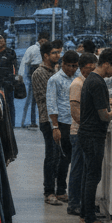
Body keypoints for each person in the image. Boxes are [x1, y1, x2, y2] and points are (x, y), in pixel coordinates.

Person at [79, 48, 112, 223]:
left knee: (88, 175)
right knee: (93, 177)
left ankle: (85, 214)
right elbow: (104, 115)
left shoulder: (91, 79)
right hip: (93, 135)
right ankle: (91, 220)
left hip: (87, 133)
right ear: (106, 64)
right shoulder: (97, 82)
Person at [45, 49, 77, 205]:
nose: (72, 69)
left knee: (67, 158)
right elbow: (51, 103)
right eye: (69, 65)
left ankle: (61, 191)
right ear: (63, 64)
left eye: (75, 66)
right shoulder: (55, 80)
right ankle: (49, 192)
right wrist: (55, 126)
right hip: (60, 123)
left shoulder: (78, 78)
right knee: (54, 158)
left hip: (73, 123)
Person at [66, 52, 95, 217]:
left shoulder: (86, 82)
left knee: (83, 169)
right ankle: (74, 203)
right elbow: (75, 111)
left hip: (82, 131)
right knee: (77, 168)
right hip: (79, 132)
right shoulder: (78, 84)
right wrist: (85, 127)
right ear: (84, 67)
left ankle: (81, 202)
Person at [31, 41, 58, 202]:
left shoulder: (55, 71)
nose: (58, 55)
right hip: (46, 119)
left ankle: (57, 189)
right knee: (51, 155)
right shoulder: (39, 74)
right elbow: (45, 98)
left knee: (58, 156)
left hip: (57, 119)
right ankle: (49, 191)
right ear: (46, 55)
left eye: (59, 52)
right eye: (55, 53)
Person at [19, 30, 49, 128]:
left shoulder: (47, 50)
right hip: (34, 75)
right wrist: (21, 75)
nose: (43, 42)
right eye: (42, 40)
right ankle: (30, 121)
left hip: (45, 75)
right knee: (33, 100)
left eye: (45, 40)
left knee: (43, 100)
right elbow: (24, 62)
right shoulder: (32, 49)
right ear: (39, 39)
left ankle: (43, 121)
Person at [0, 33, 18, 129]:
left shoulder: (11, 53)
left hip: (8, 83)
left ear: (5, 40)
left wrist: (11, 80)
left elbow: (15, 68)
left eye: (0, 38)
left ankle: (12, 126)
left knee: (9, 104)